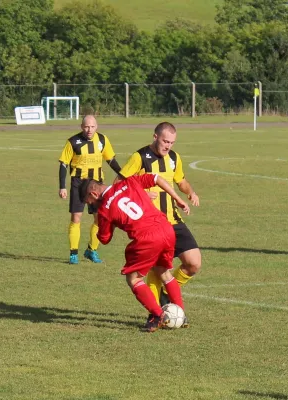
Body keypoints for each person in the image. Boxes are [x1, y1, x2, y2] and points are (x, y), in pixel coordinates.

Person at [80, 174, 190, 332]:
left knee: (133, 278)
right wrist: (178, 199)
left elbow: (104, 239)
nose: (91, 207)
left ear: (94, 194)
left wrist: (101, 220)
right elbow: (156, 178)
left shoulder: (104, 210)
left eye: (89, 204)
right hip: (165, 228)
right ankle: (181, 315)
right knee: (163, 271)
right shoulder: (130, 182)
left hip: (147, 238)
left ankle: (158, 315)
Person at [118, 122, 201, 324]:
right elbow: (119, 185)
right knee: (157, 271)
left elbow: (180, 180)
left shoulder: (174, 158)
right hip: (151, 225)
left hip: (173, 220)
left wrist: (189, 192)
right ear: (155, 137)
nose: (168, 146)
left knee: (193, 263)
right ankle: (156, 314)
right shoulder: (139, 158)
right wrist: (144, 193)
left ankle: (168, 291)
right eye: (165, 141)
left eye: (171, 142)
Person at [58, 115, 122, 264]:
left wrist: (122, 173)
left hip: (96, 185)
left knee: (100, 218)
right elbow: (63, 164)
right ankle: (73, 253)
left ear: (96, 126)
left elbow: (110, 160)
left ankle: (91, 250)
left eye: (92, 127)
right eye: (86, 127)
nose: (89, 130)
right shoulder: (73, 142)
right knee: (76, 218)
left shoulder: (102, 140)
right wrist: (62, 186)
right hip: (78, 184)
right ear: (82, 127)